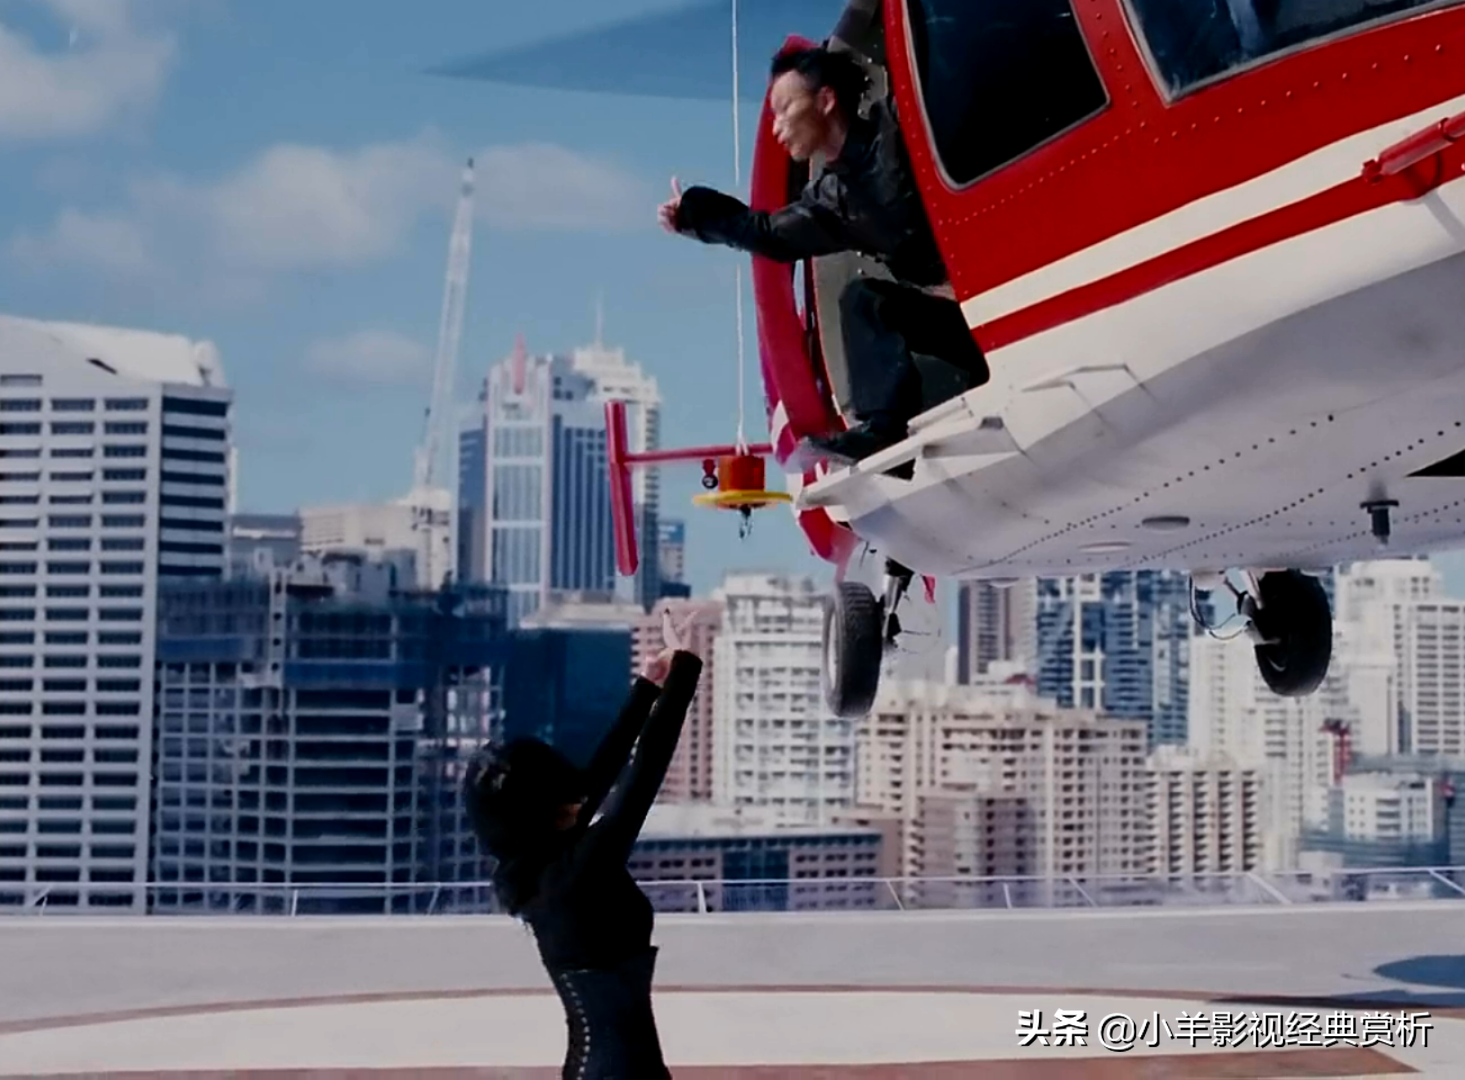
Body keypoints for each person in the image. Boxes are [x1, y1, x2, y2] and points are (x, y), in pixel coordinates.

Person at [658, 41, 988, 466]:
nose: (777, 127)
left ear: (826, 99)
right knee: (864, 300)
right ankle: (882, 433)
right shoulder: (832, 200)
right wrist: (693, 212)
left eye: (784, 109)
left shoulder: (901, 121)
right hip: (965, 321)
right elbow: (768, 235)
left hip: (1013, 281)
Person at [463, 610, 702, 1080]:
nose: (578, 806)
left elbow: (592, 782)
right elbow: (644, 771)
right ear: (537, 817)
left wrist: (648, 686)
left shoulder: (543, 863)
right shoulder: (577, 873)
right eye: (563, 804)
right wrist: (686, 666)